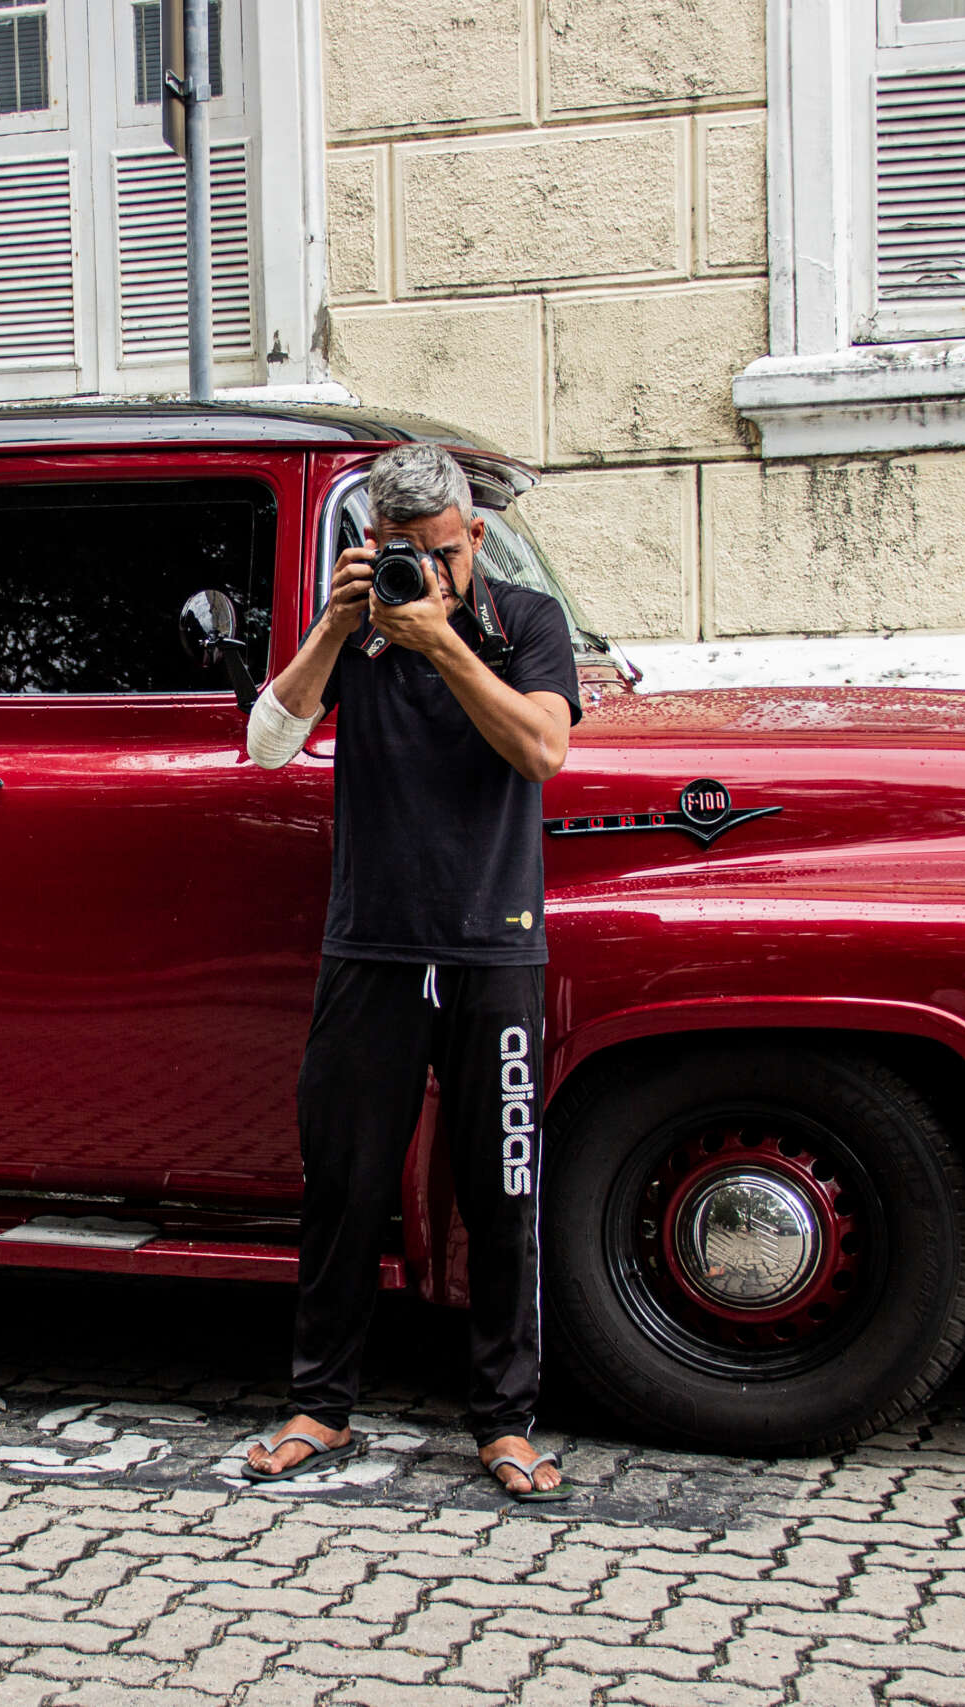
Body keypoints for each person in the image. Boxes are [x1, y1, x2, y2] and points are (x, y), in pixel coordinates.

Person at [237, 442, 579, 1499]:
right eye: (398, 556)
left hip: (490, 943)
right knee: (342, 1186)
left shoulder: (526, 624)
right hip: (371, 947)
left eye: (435, 553)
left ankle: (505, 1422)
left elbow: (541, 751)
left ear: (473, 537)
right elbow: (265, 744)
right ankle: (320, 1406)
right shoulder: (358, 622)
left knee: (501, 1191)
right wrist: (340, 624)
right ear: (369, 548)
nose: (419, 575)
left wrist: (441, 645)